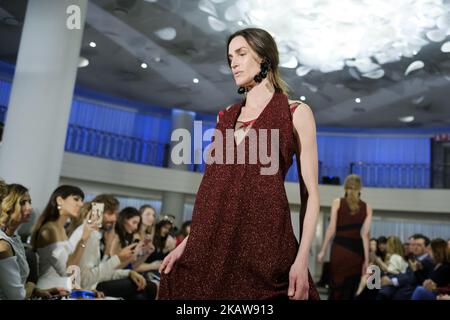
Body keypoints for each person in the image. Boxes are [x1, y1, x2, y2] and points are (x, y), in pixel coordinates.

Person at [159, 27, 320, 300]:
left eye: (241, 53)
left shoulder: (295, 112)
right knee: (175, 281)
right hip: (214, 240)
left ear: (265, 57)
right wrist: (187, 243)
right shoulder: (227, 116)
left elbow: (311, 194)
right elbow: (213, 190)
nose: (233, 62)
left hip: (266, 245)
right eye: (230, 56)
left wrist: (302, 259)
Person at [68, 195, 157, 300]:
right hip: (82, 290)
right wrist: (118, 259)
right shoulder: (87, 235)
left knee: (142, 291)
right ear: (97, 212)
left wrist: (128, 272)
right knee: (146, 288)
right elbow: (86, 279)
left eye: (115, 214)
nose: (114, 218)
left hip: (90, 286)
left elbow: (96, 271)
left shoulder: (95, 235)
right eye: (110, 213)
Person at [0, 183, 62, 299]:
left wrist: (37, 291)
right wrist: (32, 285)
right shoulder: (3, 244)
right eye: (23, 203)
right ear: (8, 205)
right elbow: (17, 297)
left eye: (30, 202)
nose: (29, 208)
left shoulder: (15, 237)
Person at [31, 185, 97, 291]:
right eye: (76, 199)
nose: (81, 204)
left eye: (81, 200)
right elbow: (67, 269)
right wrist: (84, 238)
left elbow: (72, 270)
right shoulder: (49, 230)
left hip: (64, 289)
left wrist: (81, 290)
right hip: (49, 291)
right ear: (60, 200)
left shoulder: (61, 229)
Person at [317, 174, 372, 300]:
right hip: (357, 252)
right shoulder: (367, 208)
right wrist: (366, 261)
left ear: (345, 187)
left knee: (337, 286)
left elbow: (331, 228)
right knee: (352, 287)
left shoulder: (337, 203)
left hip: (339, 249)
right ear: (360, 188)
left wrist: (323, 250)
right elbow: (365, 236)